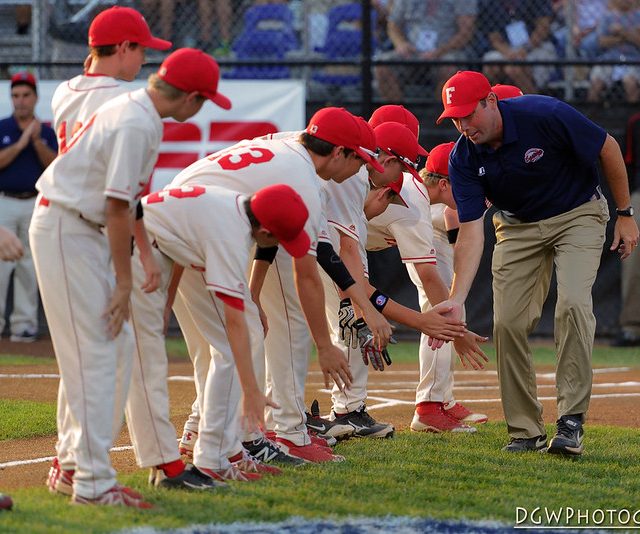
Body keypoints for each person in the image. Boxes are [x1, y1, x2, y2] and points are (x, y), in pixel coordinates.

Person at [29, 47, 226, 507]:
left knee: (110, 351)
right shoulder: (138, 120)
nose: (201, 110)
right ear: (191, 97)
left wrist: (141, 263)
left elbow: (126, 202)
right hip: (68, 226)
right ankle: (92, 484)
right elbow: (118, 205)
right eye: (204, 101)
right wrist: (124, 281)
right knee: (97, 356)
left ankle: (75, 468)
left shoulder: (135, 107)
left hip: (78, 226)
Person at [171, 107, 396, 464]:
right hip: (201, 230)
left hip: (174, 225)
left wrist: (364, 306)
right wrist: (325, 345)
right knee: (266, 330)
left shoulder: (292, 156)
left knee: (219, 344)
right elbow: (305, 274)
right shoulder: (303, 177)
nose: (363, 170)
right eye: (362, 160)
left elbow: (316, 249)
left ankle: (202, 430)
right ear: (339, 152)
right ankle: (285, 432)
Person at [436, 70, 639, 455]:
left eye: (468, 114)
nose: (463, 126)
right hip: (517, 227)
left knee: (574, 305)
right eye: (455, 119)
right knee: (508, 323)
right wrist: (457, 298)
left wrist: (625, 213)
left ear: (491, 101)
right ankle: (526, 431)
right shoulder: (463, 157)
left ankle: (571, 421)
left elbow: (607, 147)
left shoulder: (543, 113)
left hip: (577, 213)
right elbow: (471, 231)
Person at [46, 4, 173, 498]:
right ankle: (81, 469)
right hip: (92, 225)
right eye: (139, 48)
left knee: (92, 352)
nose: (143, 60)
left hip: (84, 219)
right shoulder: (127, 99)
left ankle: (70, 460)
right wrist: (141, 256)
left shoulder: (64, 89)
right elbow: (126, 198)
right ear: (121, 48)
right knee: (102, 353)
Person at [133, 183, 310, 483]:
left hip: (146, 244)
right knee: (137, 362)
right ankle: (197, 460)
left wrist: (168, 300)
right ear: (266, 232)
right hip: (132, 248)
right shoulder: (230, 235)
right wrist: (252, 390)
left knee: (223, 350)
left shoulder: (233, 209)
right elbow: (235, 323)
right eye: (280, 238)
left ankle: (219, 452)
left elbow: (178, 242)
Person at [364, 127, 488, 433]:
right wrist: (456, 332)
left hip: (351, 244)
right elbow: (447, 251)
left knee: (449, 310)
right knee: (444, 314)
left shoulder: (425, 197)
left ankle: (440, 400)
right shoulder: (418, 203)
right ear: (445, 183)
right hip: (335, 245)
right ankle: (429, 405)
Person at [0, 72, 57, 343]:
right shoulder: (3, 128)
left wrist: (34, 141)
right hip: (5, 201)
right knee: (0, 264)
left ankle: (24, 325)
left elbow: (56, 167)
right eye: (15, 96)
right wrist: (21, 142)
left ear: (35, 97)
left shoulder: (45, 131)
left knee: (29, 265)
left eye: (25, 95)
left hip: (34, 201)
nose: (20, 101)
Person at [375, 0, 477, 101]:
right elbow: (393, 25)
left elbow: (466, 32)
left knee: (449, 67)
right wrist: (401, 44)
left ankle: (440, 114)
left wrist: (439, 51)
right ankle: (399, 114)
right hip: (412, 52)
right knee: (382, 66)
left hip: (447, 51)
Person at [480, 0, 557, 94]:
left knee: (514, 69)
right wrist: (509, 53)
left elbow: (543, 27)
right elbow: (494, 38)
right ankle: (496, 104)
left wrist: (525, 49)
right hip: (506, 49)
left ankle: (533, 103)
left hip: (536, 46)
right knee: (491, 64)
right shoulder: (491, 3)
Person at [587, 0, 640, 103]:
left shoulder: (638, 17)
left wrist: (622, 32)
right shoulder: (607, 17)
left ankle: (633, 118)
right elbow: (602, 42)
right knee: (595, 85)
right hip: (609, 58)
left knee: (631, 84)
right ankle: (592, 117)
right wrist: (625, 37)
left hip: (632, 59)